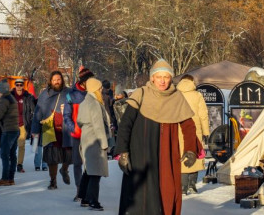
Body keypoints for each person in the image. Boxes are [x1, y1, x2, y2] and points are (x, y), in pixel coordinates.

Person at [116, 59, 199, 215]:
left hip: (166, 153)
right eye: (159, 77)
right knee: (139, 195)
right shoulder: (140, 94)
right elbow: (126, 124)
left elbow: (188, 126)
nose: (162, 81)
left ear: (171, 78)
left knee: (166, 192)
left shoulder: (176, 97)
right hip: (141, 153)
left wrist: (190, 149)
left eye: (166, 77)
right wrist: (123, 151)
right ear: (152, 78)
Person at [75, 77, 112, 211]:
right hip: (95, 140)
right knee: (95, 171)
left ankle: (84, 197)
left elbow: (79, 121)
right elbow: (98, 126)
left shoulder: (85, 102)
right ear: (95, 89)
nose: (101, 90)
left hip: (86, 138)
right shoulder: (94, 103)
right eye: (100, 88)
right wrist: (104, 144)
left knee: (89, 170)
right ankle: (93, 201)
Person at [31, 70, 71, 190]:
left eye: (58, 79)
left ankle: (64, 169)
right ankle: (53, 180)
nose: (56, 82)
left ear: (62, 80)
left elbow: (75, 106)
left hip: (65, 127)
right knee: (52, 157)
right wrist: (35, 129)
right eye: (54, 80)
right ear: (50, 81)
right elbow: (38, 113)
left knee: (69, 153)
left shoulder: (68, 93)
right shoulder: (45, 94)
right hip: (49, 127)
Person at [176, 75, 210, 195]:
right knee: (194, 155)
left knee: (183, 155)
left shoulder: (175, 95)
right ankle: (192, 185)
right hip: (195, 129)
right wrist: (206, 131)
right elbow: (203, 115)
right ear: (192, 82)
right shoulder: (197, 95)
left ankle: (183, 187)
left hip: (179, 129)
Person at [64, 67, 91, 194]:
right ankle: (79, 189)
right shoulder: (71, 95)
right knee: (77, 163)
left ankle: (89, 190)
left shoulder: (93, 94)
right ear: (83, 81)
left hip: (91, 135)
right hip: (77, 135)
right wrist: (73, 128)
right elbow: (66, 115)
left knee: (91, 164)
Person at [0, 80, 20, 186]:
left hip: (8, 130)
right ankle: (11, 178)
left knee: (5, 154)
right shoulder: (11, 98)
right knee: (12, 155)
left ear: (1, 91)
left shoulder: (4, 100)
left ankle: (5, 178)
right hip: (15, 129)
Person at [12, 78, 35, 173]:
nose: (19, 87)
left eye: (21, 85)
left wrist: (31, 119)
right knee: (12, 145)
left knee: (21, 145)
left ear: (23, 86)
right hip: (12, 124)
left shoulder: (27, 96)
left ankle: (19, 164)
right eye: (17, 85)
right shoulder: (10, 96)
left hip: (23, 124)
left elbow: (33, 109)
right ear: (15, 86)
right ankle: (12, 162)